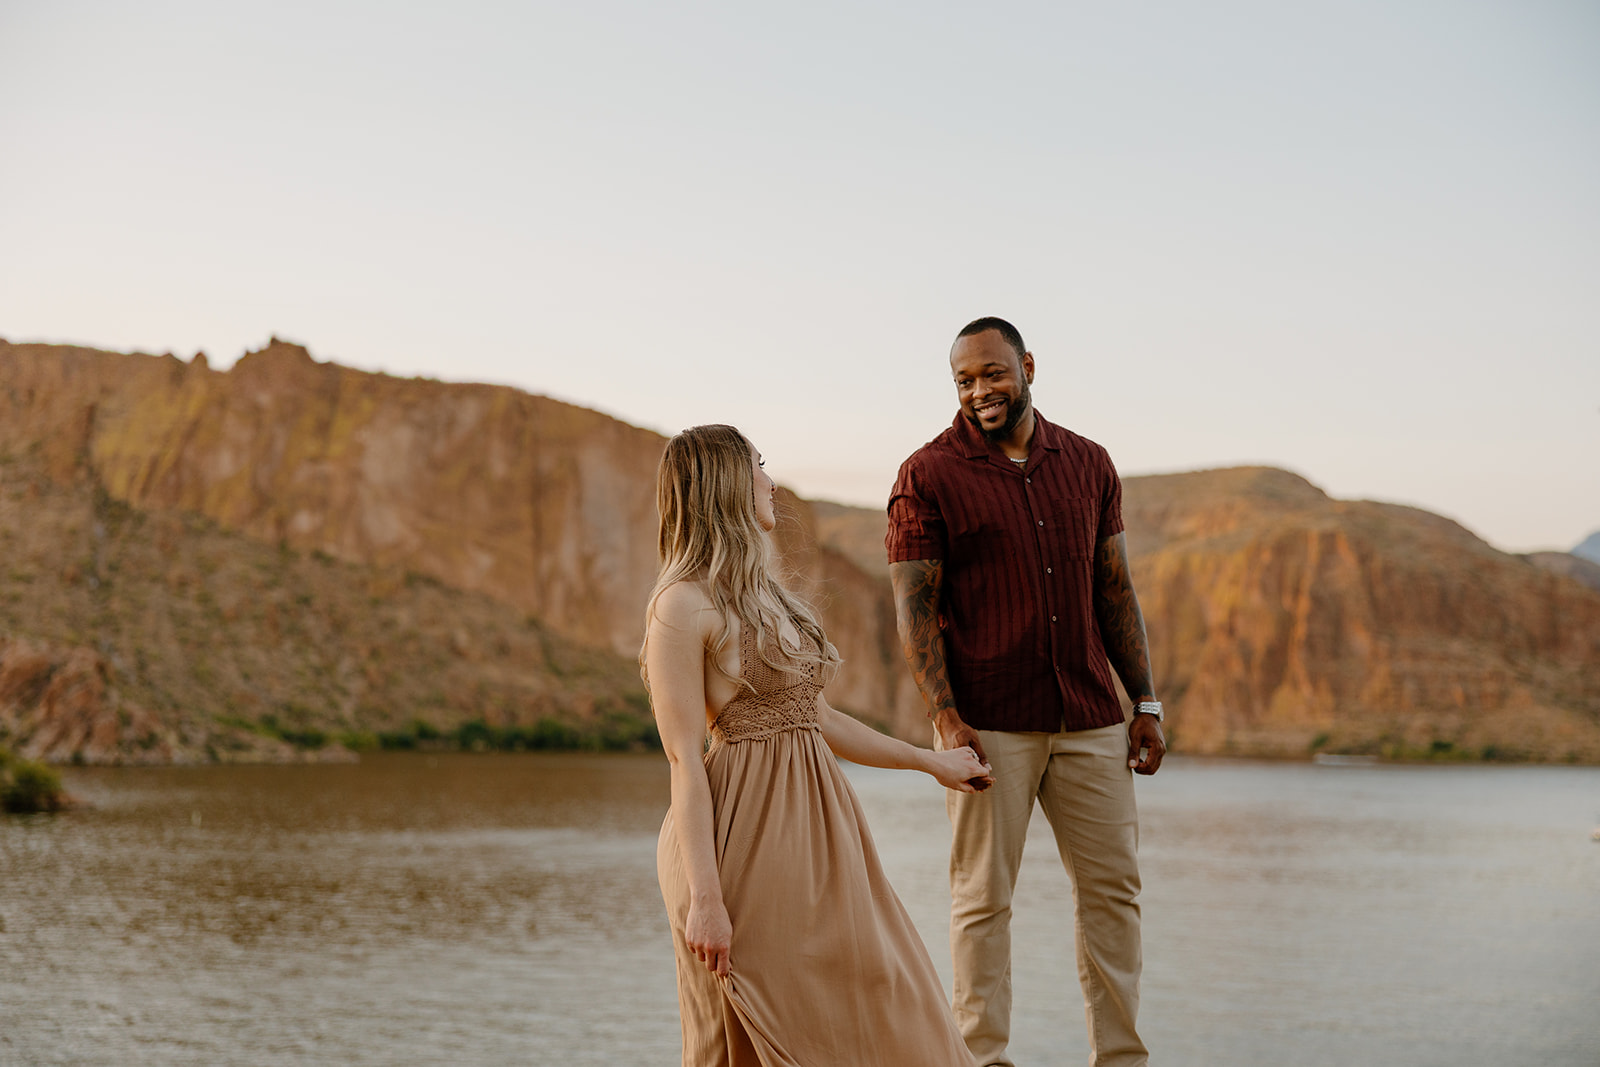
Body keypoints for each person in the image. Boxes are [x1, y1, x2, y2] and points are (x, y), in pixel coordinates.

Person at [646, 423, 992, 1067]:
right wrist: (707, 900)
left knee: (894, 995)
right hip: (737, 847)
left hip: (824, 840)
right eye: (758, 465)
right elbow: (683, 762)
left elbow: (820, 720)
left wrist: (929, 762)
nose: (770, 481)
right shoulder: (680, 606)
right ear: (724, 482)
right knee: (742, 1043)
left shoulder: (767, 597)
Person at [887, 317, 1165, 1067]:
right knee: (982, 901)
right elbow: (915, 608)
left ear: (1028, 366)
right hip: (989, 724)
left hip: (1089, 716)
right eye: (965, 380)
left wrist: (1144, 702)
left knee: (1114, 895)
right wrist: (945, 718)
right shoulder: (928, 474)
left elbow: (1114, 589)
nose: (980, 391)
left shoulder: (1089, 463)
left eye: (992, 373)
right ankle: (983, 1060)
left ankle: (1121, 1058)